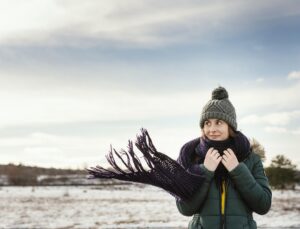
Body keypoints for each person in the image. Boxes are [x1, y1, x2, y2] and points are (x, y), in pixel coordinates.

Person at [176, 86, 272, 229]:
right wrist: (206, 171)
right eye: (207, 123)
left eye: (218, 122)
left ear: (230, 126)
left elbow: (263, 205)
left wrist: (238, 169)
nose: (212, 129)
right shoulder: (193, 157)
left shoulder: (250, 158)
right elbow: (185, 209)